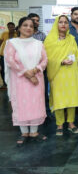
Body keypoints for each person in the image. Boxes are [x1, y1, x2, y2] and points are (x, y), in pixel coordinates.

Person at [4, 17, 47, 145]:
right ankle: (24, 132)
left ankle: (34, 131)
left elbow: (45, 60)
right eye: (25, 25)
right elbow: (10, 60)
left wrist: (35, 70)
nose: (28, 28)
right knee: (21, 105)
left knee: (35, 104)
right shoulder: (12, 43)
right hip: (19, 80)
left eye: (31, 26)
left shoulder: (39, 44)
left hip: (36, 79)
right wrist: (27, 73)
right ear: (19, 27)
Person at [44, 15, 78, 136]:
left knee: (72, 99)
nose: (63, 24)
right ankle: (59, 124)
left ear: (68, 25)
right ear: (56, 24)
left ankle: (71, 123)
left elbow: (76, 56)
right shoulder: (50, 40)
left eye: (65, 22)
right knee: (59, 99)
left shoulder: (71, 39)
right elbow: (47, 58)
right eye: (60, 22)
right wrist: (61, 61)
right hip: (58, 73)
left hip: (72, 72)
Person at [28, 13, 51, 119]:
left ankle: (45, 111)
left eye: (37, 20)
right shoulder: (24, 34)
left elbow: (45, 52)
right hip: (27, 69)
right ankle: (30, 112)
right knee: (28, 91)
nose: (35, 22)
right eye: (33, 20)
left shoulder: (42, 35)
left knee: (43, 91)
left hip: (41, 68)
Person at [0, 22, 17, 88]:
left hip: (13, 55)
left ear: (14, 27)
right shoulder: (4, 33)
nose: (11, 28)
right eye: (9, 27)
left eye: (12, 26)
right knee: (3, 69)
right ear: (7, 27)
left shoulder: (17, 34)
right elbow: (0, 42)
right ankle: (5, 83)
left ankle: (13, 83)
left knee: (13, 69)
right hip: (3, 54)